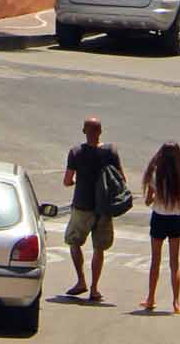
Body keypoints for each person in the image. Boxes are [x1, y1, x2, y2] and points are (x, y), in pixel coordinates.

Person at [62, 115, 122, 305]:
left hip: (82, 204)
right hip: (103, 207)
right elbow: (121, 178)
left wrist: (76, 181)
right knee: (99, 248)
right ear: (101, 131)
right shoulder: (111, 152)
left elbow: (67, 181)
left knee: (74, 242)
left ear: (83, 131)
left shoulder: (76, 152)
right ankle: (95, 288)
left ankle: (81, 280)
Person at [140, 142, 180, 314]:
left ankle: (151, 298)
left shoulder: (156, 175)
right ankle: (176, 302)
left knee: (155, 260)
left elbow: (148, 201)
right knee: (174, 262)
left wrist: (155, 195)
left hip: (159, 218)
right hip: (175, 219)